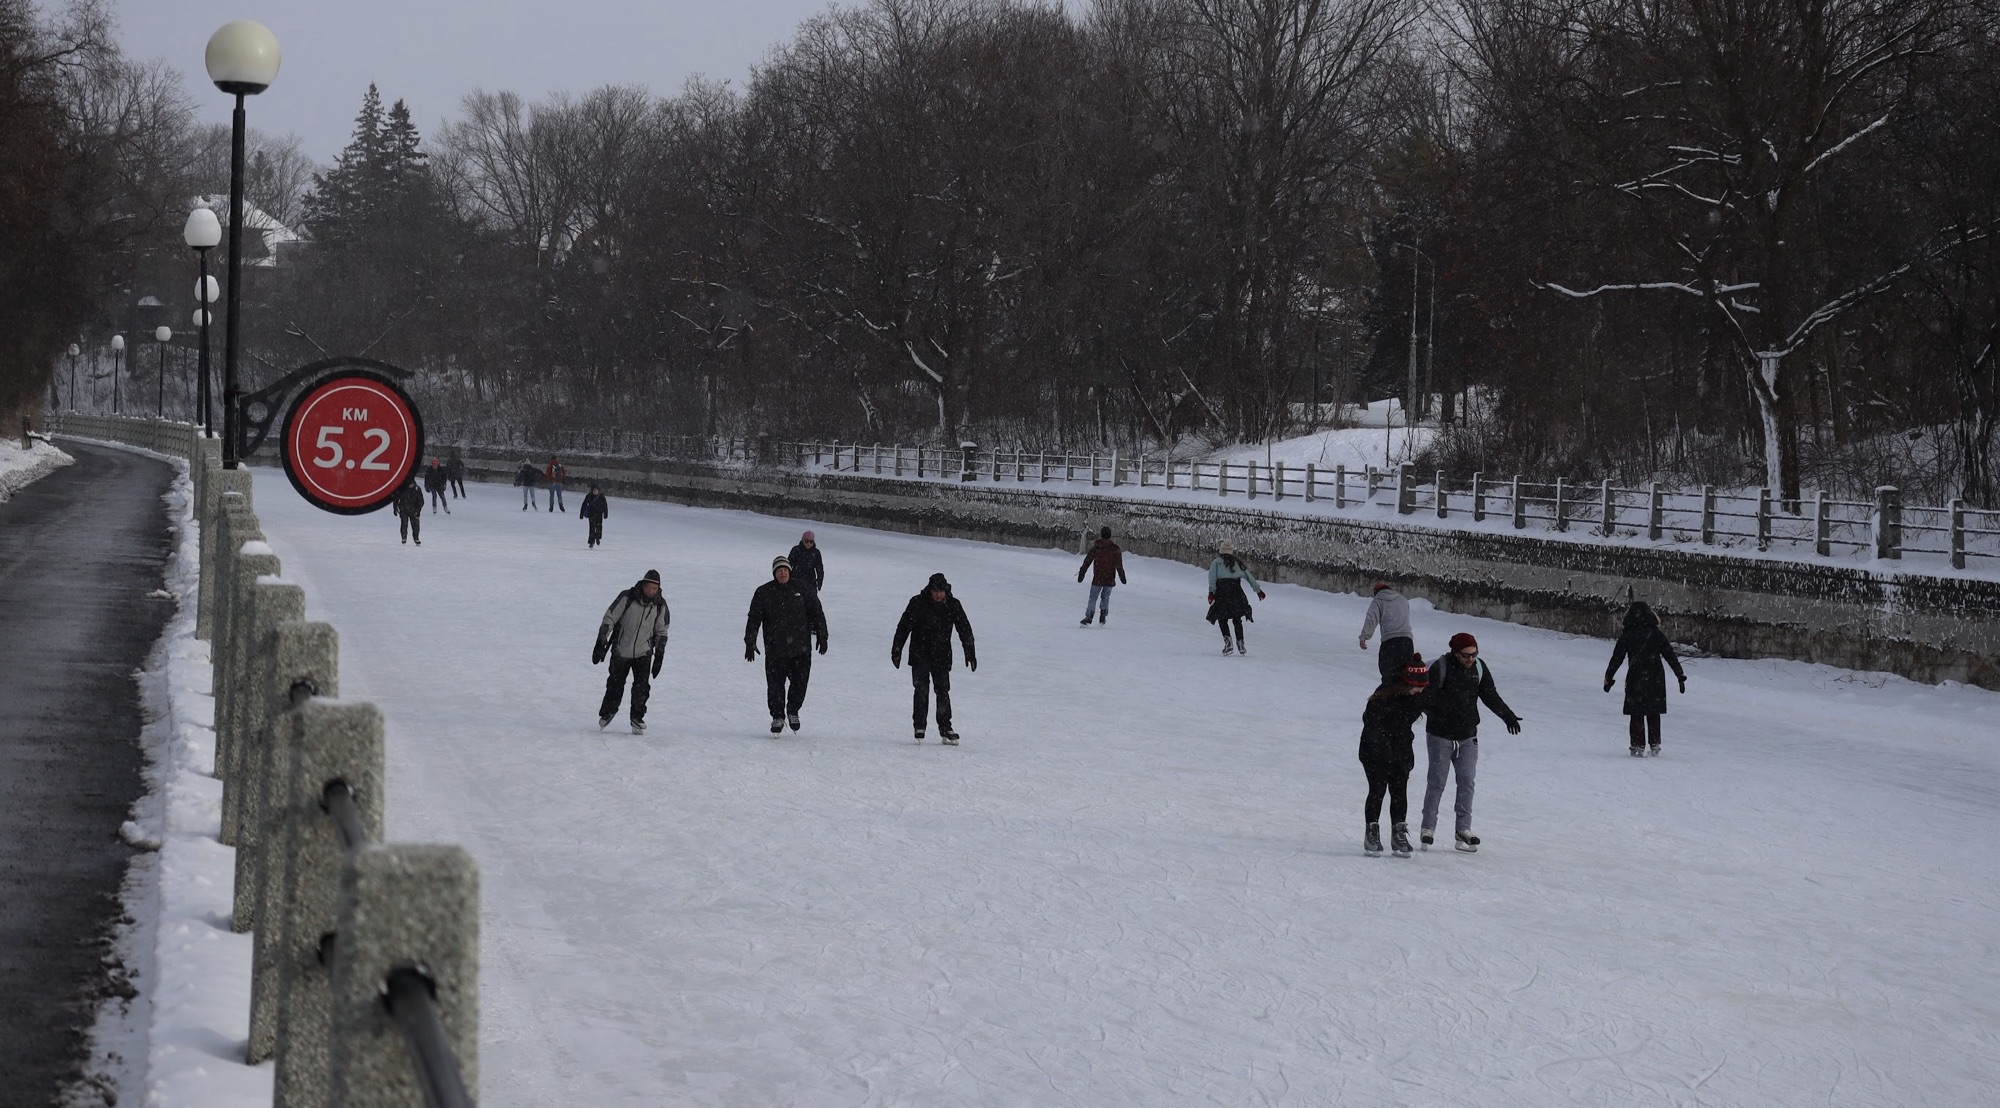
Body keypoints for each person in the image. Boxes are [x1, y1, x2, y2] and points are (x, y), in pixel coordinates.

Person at [1420, 632, 1522, 852]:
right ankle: (1428, 828)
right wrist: (1438, 716)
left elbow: (1490, 695)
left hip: (1467, 736)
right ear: (1455, 653)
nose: (1471, 659)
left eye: (1474, 654)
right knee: (1437, 782)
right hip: (1440, 736)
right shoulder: (1441, 667)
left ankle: (1462, 830)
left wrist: (1508, 716)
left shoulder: (1478, 668)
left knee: (1467, 782)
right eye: (1466, 655)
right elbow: (1424, 698)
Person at [745, 555, 829, 734]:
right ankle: (777, 716)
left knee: (800, 683)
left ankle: (793, 710)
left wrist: (823, 635)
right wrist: (750, 642)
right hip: (776, 649)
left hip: (801, 648)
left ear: (789, 571)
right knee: (775, 685)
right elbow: (754, 619)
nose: (782, 573)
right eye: (779, 570)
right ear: (774, 573)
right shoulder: (764, 592)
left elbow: (817, 612)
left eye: (785, 570)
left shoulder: (803, 589)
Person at [1359, 655, 1433, 856]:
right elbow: (1371, 725)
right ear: (1405, 683)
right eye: (1418, 686)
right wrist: (1383, 750)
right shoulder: (1383, 696)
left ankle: (1398, 834)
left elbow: (1437, 708)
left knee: (1400, 790)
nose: (1421, 690)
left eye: (1423, 686)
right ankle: (1372, 833)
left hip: (1400, 748)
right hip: (1373, 749)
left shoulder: (1418, 696)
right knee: (1378, 789)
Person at [892, 572, 976, 744]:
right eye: (935, 591)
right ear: (930, 590)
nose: (938, 595)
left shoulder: (953, 605)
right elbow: (903, 626)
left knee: (943, 691)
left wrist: (969, 650)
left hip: (942, 655)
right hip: (919, 653)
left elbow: (964, 628)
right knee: (921, 689)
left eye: (941, 591)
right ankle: (919, 726)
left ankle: (945, 727)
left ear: (946, 590)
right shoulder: (917, 603)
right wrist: (897, 649)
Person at [1603, 600, 1687, 756]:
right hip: (1655, 678)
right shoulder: (1656, 634)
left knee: (1636, 713)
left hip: (1636, 678)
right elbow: (1670, 654)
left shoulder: (1627, 635)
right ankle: (1654, 744)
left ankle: (1637, 744)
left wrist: (1609, 677)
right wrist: (1679, 674)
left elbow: (1617, 658)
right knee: (1653, 712)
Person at [593, 569, 671, 734]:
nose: (651, 591)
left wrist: (659, 655)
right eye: (649, 587)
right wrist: (601, 641)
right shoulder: (627, 597)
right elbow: (610, 618)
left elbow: (662, 631)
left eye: (654, 589)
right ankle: (608, 712)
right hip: (621, 650)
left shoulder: (660, 605)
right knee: (615, 684)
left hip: (644, 653)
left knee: (642, 687)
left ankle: (637, 717)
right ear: (643, 584)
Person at [1205, 540, 1265, 655]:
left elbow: (1212, 579)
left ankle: (1228, 643)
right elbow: (1249, 577)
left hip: (1222, 593)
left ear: (1221, 551)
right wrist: (1259, 591)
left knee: (1222, 618)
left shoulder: (1216, 563)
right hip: (1236, 592)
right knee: (1237, 618)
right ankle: (1241, 643)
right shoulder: (1237, 563)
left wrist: (1211, 593)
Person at [1358, 580, 1414, 680]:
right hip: (1407, 642)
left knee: (1388, 675)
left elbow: (1371, 618)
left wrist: (1364, 636)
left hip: (1390, 643)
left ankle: (1389, 694)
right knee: (1406, 676)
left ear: (1376, 592)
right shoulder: (1403, 600)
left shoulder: (1378, 600)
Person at [1076, 526, 1127, 626]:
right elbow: (1119, 564)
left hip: (1098, 577)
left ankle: (1089, 617)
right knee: (1105, 597)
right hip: (1109, 578)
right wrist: (1122, 576)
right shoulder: (1115, 549)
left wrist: (1082, 572)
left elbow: (1088, 560)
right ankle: (1103, 615)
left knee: (1093, 597)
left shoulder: (1097, 547)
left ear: (1101, 535)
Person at [392, 477, 424, 545]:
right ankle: (404, 538)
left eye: (411, 484)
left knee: (416, 525)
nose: (410, 486)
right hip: (403, 509)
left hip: (414, 510)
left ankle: (416, 538)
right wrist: (395, 508)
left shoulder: (417, 489)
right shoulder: (402, 488)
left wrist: (418, 510)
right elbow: (396, 499)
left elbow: (421, 501)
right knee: (404, 524)